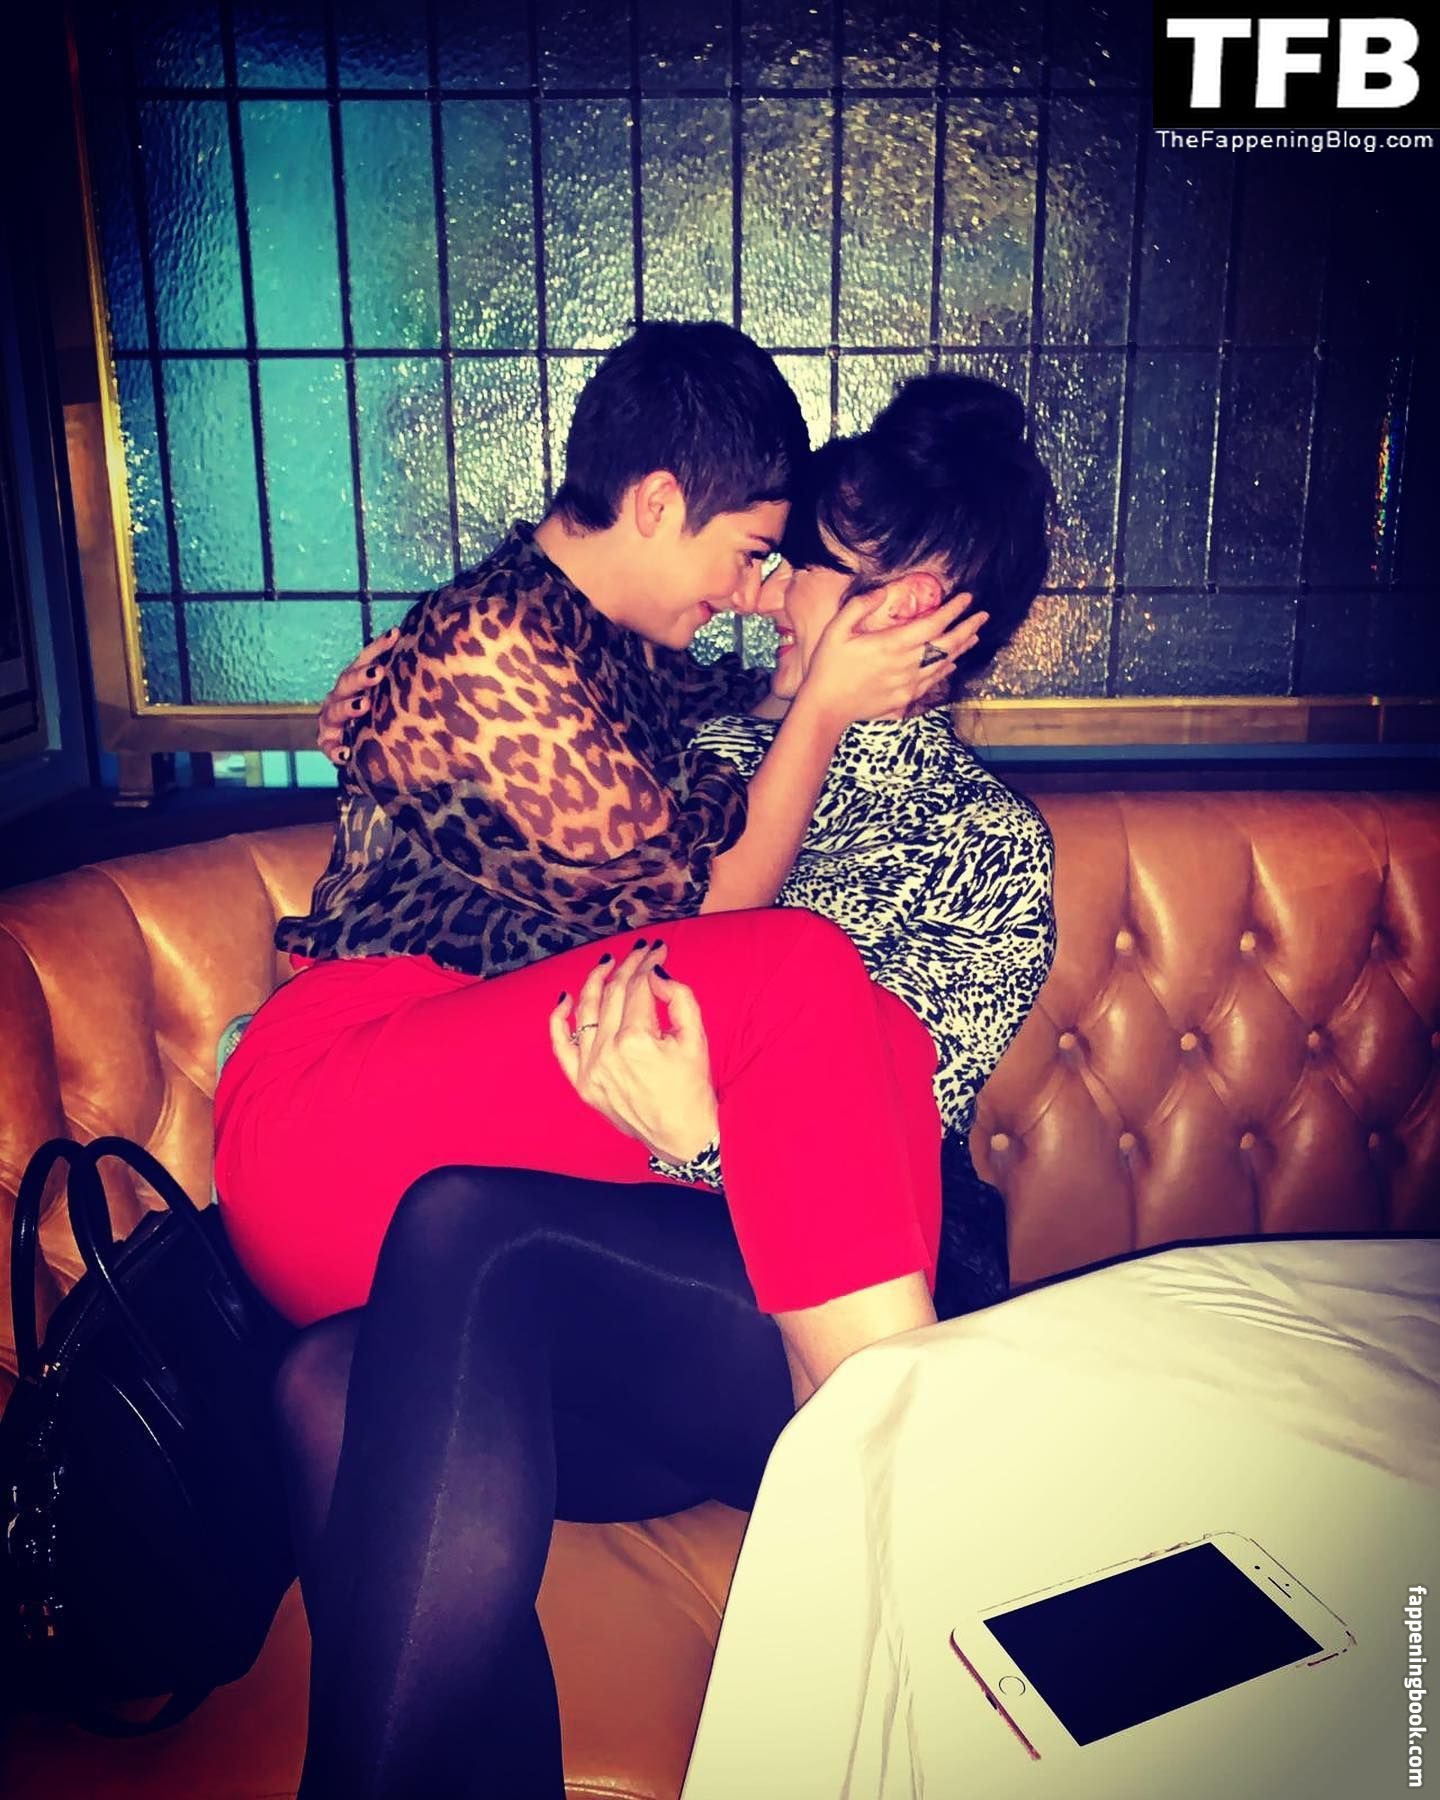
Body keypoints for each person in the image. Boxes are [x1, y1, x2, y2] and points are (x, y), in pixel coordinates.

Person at [267, 369, 1055, 1796]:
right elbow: (498, 753)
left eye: (822, 572)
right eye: (786, 558)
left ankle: (928, 1523)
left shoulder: (986, 847)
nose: (778, 596)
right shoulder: (688, 741)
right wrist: (382, 714)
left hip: (793, 1334)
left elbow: (890, 1141)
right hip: (605, 1318)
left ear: (929, 620)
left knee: (472, 1226)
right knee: (332, 1372)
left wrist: (700, 1142)